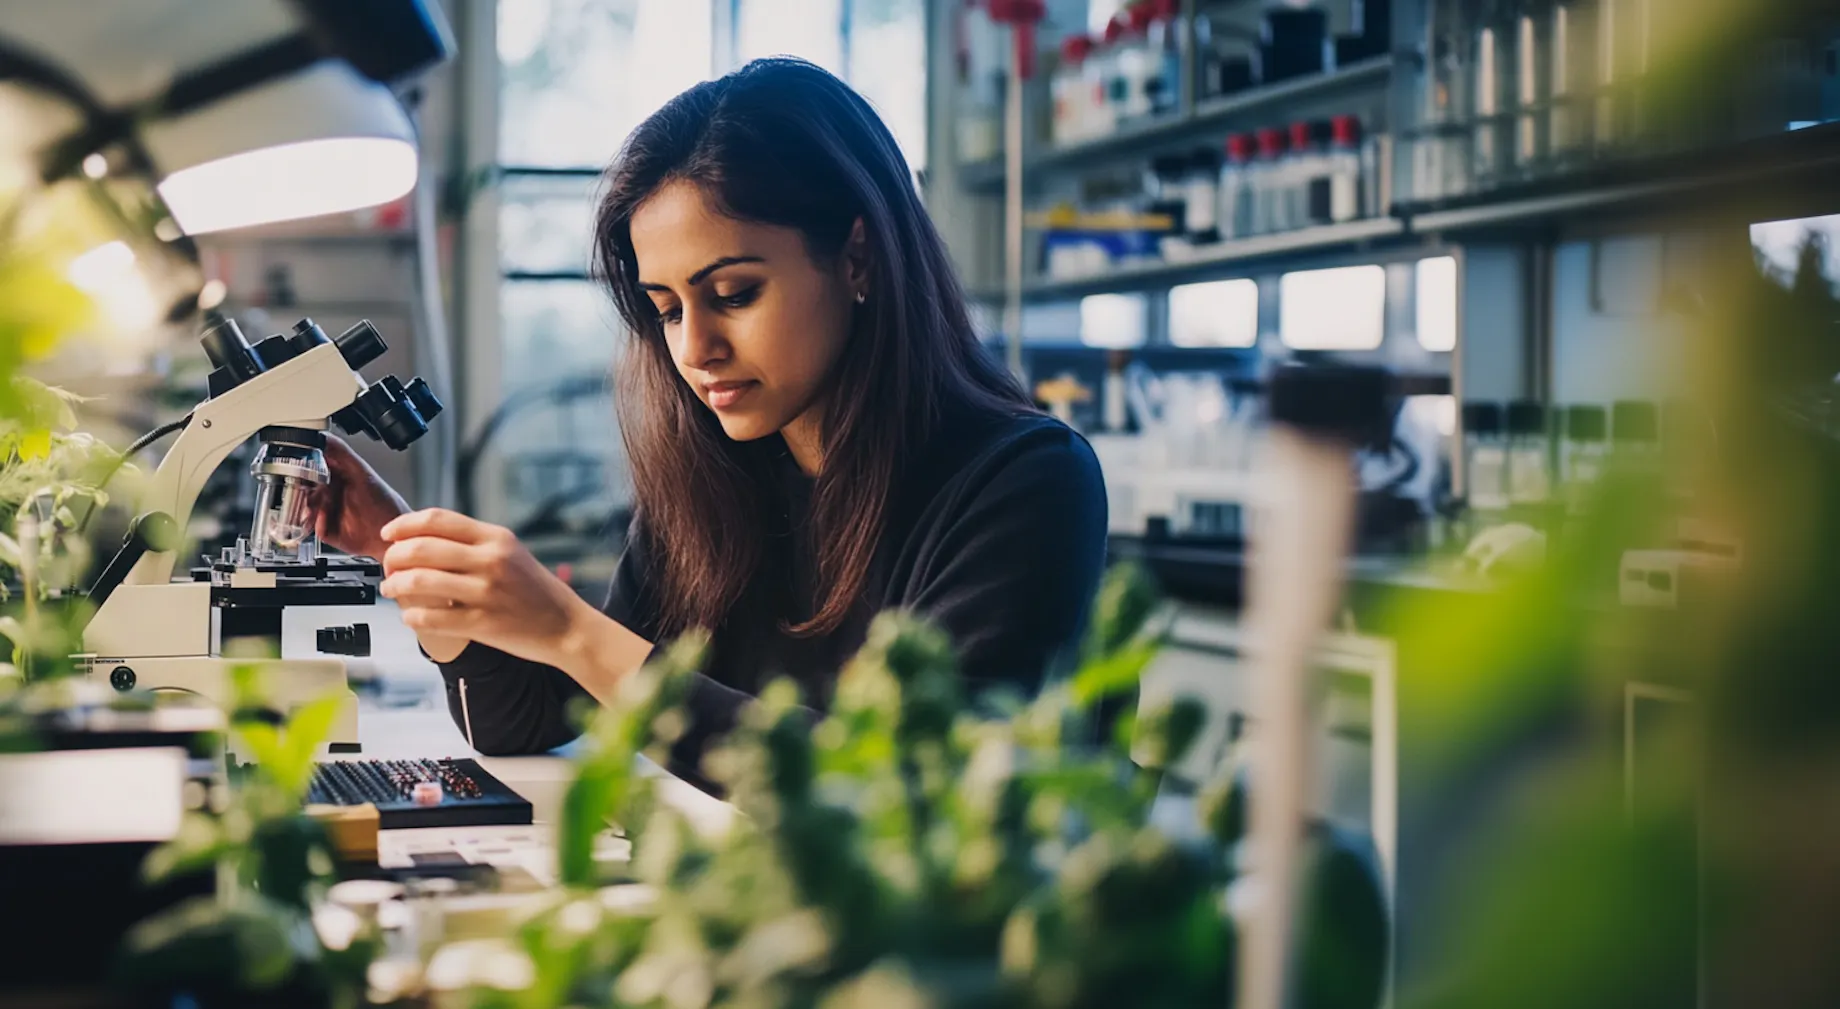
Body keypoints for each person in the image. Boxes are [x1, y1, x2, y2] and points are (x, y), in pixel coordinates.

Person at [317, 58, 1108, 790]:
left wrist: (571, 631)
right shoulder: (720, 481)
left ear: (858, 260)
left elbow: (903, 788)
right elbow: (522, 722)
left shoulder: (1028, 480)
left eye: (733, 293)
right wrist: (415, 557)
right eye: (666, 309)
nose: (696, 349)